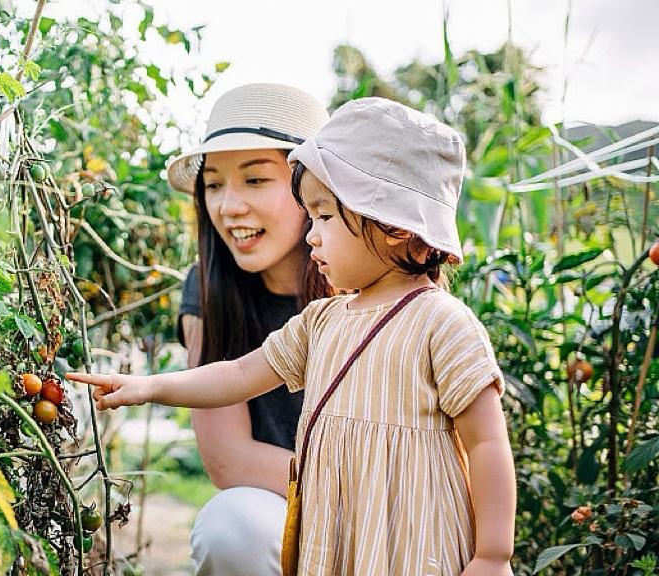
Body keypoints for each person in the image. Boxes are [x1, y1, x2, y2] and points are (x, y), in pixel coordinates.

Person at [72, 98, 517, 575]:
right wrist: (151, 387)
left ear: (390, 224)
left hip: (417, 530)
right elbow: (241, 373)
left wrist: (493, 555)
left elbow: (486, 444)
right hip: (338, 529)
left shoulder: (442, 323)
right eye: (214, 185)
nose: (312, 234)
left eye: (324, 216)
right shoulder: (323, 320)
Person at [164, 83, 332, 575]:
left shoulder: (374, 279)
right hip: (288, 510)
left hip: (394, 511)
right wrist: (354, 483)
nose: (228, 206)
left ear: (315, 190)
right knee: (231, 525)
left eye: (256, 180)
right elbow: (229, 460)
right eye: (214, 185)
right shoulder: (209, 289)